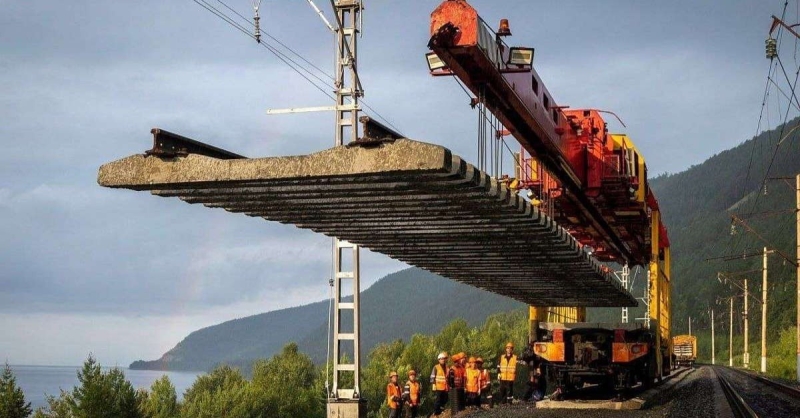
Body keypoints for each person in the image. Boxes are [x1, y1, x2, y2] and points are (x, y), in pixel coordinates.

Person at [429, 352, 449, 416]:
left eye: (444, 359)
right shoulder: (436, 367)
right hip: (438, 387)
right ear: (439, 360)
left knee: (445, 399)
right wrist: (433, 384)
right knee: (438, 400)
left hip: (445, 387)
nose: (443, 360)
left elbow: (448, 376)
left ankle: (441, 409)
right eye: (442, 359)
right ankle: (436, 412)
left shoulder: (447, 367)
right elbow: (432, 376)